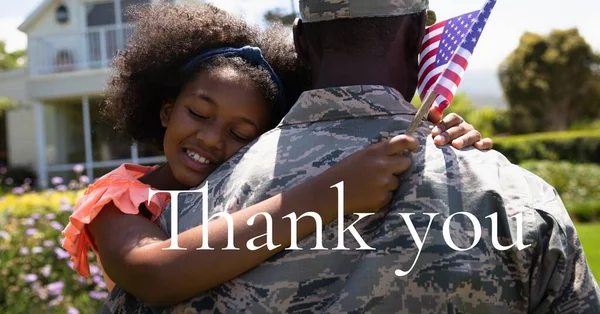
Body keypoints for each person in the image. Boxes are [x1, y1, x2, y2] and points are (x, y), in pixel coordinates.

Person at [101, 0, 600, 313]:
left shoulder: (181, 214)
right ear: (418, 41)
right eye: (199, 113)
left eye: (237, 129)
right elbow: (153, 272)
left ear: (302, 47)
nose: (213, 140)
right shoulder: (516, 198)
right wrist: (334, 191)